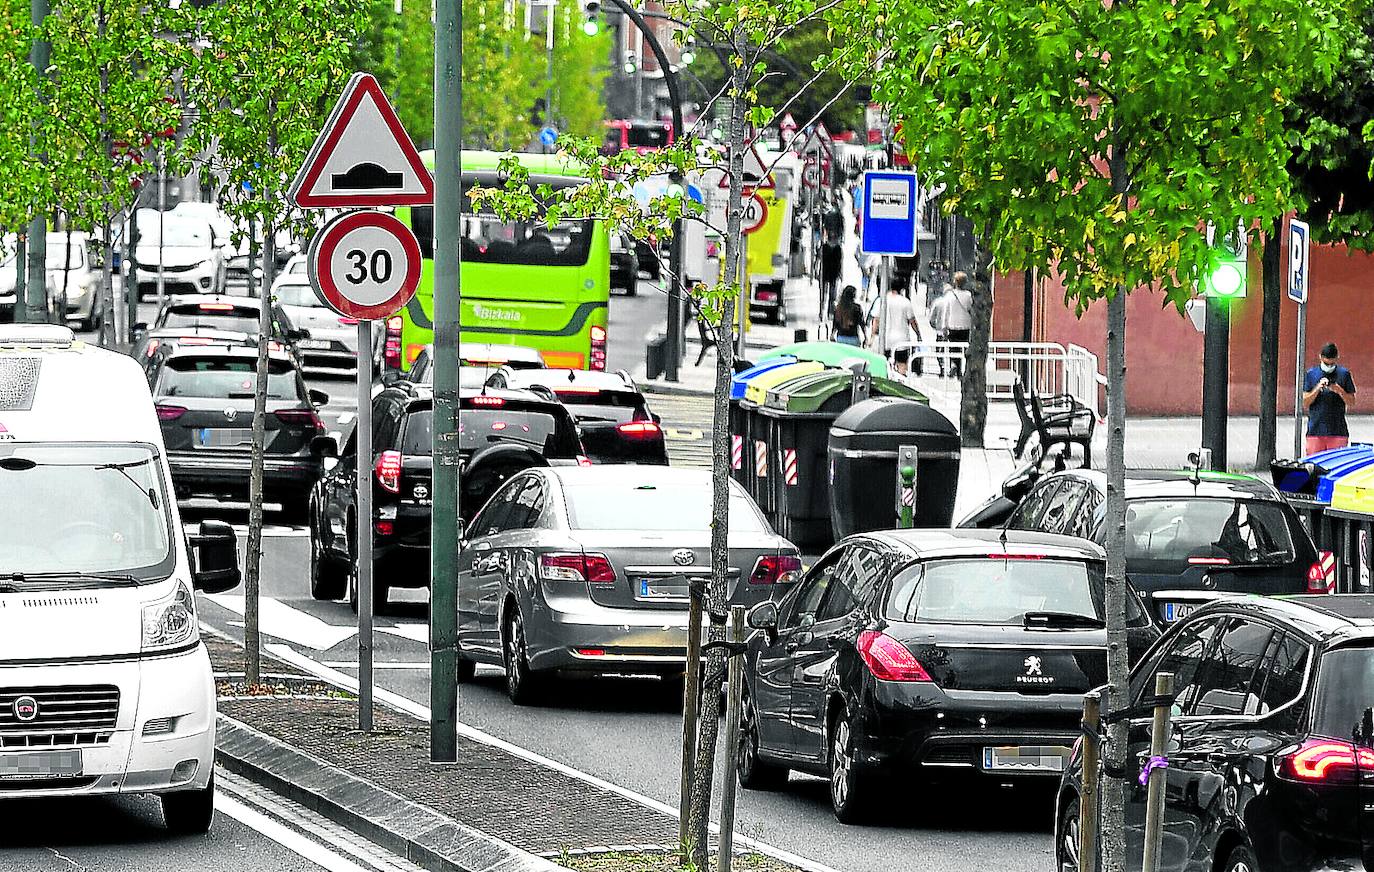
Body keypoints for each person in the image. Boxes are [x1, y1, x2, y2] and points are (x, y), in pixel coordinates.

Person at [1303, 342, 1357, 454]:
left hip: (1338, 431)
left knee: (1336, 465)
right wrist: (1317, 388)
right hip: (1315, 431)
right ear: (1320, 357)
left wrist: (1339, 390)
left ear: (1337, 358)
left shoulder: (1344, 374)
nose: (1328, 367)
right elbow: (1305, 402)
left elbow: (1352, 402)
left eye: (1331, 364)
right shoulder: (1311, 374)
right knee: (1314, 465)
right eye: (1326, 364)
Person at [869, 284, 923, 375]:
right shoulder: (905, 302)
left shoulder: (881, 300)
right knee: (902, 365)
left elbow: (876, 320)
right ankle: (900, 383)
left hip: (884, 340)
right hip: (901, 340)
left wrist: (872, 336)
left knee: (884, 365)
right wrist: (918, 334)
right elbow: (912, 321)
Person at [930, 271, 974, 378]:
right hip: (965, 326)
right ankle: (962, 369)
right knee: (964, 347)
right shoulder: (968, 296)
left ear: (955, 282)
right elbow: (971, 310)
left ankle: (955, 366)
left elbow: (946, 312)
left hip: (952, 325)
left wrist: (944, 327)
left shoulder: (950, 295)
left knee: (953, 349)